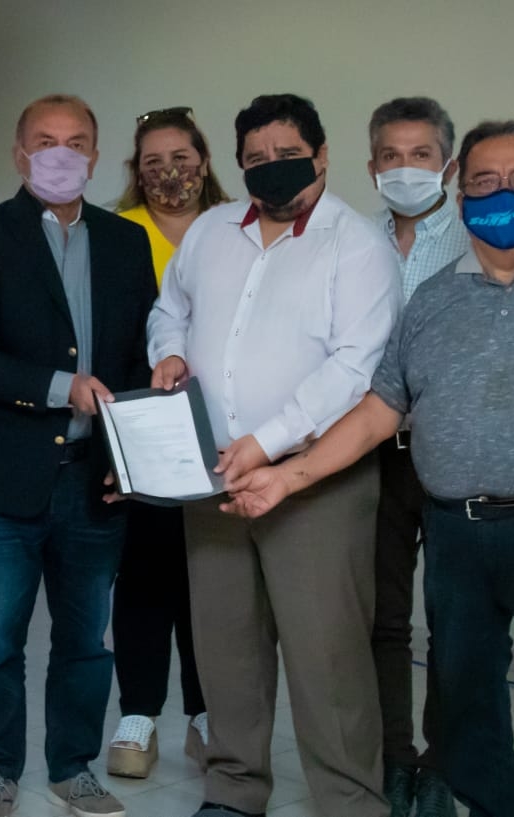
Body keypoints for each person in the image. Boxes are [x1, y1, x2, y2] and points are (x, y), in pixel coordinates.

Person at [221, 120, 514, 817]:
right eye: (485, 182)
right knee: (467, 710)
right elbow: (379, 411)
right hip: (459, 536)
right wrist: (289, 475)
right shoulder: (431, 300)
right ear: (461, 197)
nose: (504, 194)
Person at [147, 93, 400, 817]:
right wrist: (168, 352)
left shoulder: (357, 246)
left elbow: (355, 367)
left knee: (327, 655)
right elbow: (170, 307)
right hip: (215, 476)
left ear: (321, 156)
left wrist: (268, 442)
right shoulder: (211, 230)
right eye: (255, 159)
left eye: (288, 155)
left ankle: (349, 801)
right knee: (226, 646)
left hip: (315, 481)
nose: (272, 168)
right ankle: (234, 789)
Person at [0, 94, 157, 817]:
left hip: (93, 482)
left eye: (77, 141)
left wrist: (130, 455)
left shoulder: (125, 242)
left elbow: (138, 356)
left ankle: (72, 766)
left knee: (85, 639)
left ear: (96, 154)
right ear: (19, 153)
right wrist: (64, 387)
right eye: (45, 140)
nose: (61, 154)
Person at [105, 106, 230, 780]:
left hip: (223, 430)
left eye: (180, 157)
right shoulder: (116, 233)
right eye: (152, 162)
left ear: (203, 161)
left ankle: (206, 713)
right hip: (144, 430)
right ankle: (139, 714)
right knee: (145, 572)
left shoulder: (235, 229)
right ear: (136, 170)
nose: (168, 172)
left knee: (211, 576)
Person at [364, 96, 470, 817]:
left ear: (448, 165)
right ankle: (392, 757)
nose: (406, 169)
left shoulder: (473, 241)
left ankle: (441, 763)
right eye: (392, 156)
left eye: (421, 155)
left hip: (452, 452)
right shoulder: (350, 241)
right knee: (384, 617)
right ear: (373, 166)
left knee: (455, 619)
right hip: (373, 451)